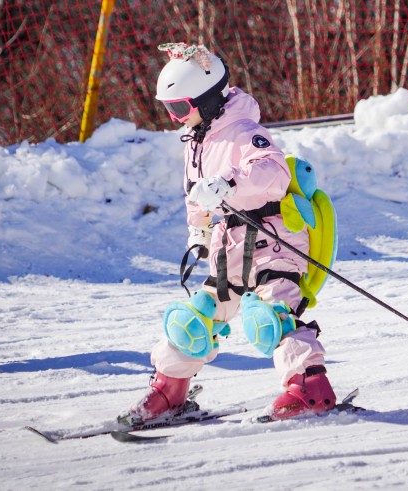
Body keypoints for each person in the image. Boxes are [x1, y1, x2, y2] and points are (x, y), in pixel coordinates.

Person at [118, 43, 336, 425]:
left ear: (207, 98)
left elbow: (274, 173)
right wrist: (199, 232)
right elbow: (196, 195)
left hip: (273, 243)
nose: (175, 118)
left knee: (271, 315)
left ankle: (309, 387)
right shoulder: (196, 141)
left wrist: (228, 183)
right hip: (229, 245)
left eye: (181, 108)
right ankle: (170, 389)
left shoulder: (243, 132)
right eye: (170, 109)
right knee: (195, 319)